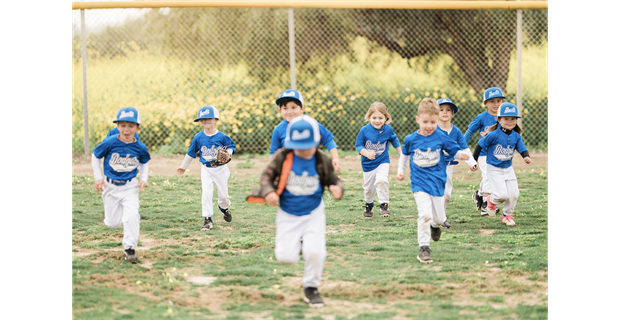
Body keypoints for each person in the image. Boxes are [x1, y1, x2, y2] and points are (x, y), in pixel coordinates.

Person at [250, 115, 344, 308]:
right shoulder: (284, 157)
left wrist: (337, 189)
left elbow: (334, 180)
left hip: (313, 213)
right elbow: (266, 176)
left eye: (307, 145)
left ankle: (311, 288)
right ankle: (300, 243)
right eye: (298, 145)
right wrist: (268, 193)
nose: (302, 150)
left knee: (316, 252)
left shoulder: (322, 159)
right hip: (288, 213)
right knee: (285, 257)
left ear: (317, 142)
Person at [396, 98, 470, 264]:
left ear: (437, 120)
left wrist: (461, 155)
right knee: (425, 214)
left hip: (437, 184)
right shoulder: (410, 139)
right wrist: (401, 171)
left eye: (432, 122)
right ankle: (424, 248)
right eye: (425, 122)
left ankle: (435, 227)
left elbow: (453, 149)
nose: (429, 126)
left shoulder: (441, 137)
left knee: (438, 219)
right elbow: (404, 155)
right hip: (419, 184)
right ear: (417, 120)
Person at [91, 107, 151, 263]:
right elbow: (95, 156)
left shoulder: (140, 147)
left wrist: (143, 178)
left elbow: (145, 163)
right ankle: (119, 220)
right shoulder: (110, 142)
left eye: (131, 126)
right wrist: (98, 177)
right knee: (112, 223)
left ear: (138, 128)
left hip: (130, 186)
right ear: (117, 126)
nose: (126, 129)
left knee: (132, 215)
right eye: (123, 125)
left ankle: (130, 248)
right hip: (110, 187)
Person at [177, 105, 236, 231]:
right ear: (200, 121)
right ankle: (207, 219)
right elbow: (190, 153)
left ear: (216, 120)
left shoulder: (221, 136)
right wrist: (183, 167)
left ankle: (224, 208)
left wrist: (229, 153)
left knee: (224, 196)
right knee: (206, 194)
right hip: (206, 169)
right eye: (203, 119)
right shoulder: (198, 137)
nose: (206, 121)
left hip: (221, 169)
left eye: (209, 118)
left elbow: (231, 145)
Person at [473, 102, 532, 226]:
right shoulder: (493, 134)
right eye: (506, 118)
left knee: (514, 194)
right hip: (493, 168)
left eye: (513, 119)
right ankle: (490, 200)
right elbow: (480, 145)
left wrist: (526, 156)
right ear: (499, 119)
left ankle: (507, 215)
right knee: (501, 195)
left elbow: (521, 148)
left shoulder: (516, 136)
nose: (509, 121)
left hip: (508, 168)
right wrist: (474, 161)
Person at [270, 89, 342, 174]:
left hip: (311, 166)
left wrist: (335, 158)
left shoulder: (311, 124)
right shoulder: (279, 129)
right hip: (289, 169)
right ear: (280, 111)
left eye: (293, 107)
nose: (289, 111)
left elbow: (328, 140)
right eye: (285, 108)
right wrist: (275, 169)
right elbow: (274, 152)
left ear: (302, 109)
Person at [463, 87, 506, 216]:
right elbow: (470, 131)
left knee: (494, 177)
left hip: (498, 155)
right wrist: (462, 145)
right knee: (488, 176)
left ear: (503, 101)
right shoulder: (482, 117)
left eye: (499, 100)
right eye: (492, 101)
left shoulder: (505, 118)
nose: (496, 104)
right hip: (483, 153)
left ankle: (479, 194)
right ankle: (486, 205)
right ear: (485, 103)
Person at [354, 101, 401, 218]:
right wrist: (366, 153)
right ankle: (368, 205)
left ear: (386, 118)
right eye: (374, 117)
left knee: (382, 180)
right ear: (369, 117)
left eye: (381, 117)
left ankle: (384, 205)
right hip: (368, 164)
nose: (377, 120)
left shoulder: (388, 130)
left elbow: (394, 140)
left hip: (382, 161)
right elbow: (358, 145)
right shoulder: (364, 130)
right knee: (369, 188)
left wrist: (401, 153)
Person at [436, 98, 479, 224]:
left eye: (448, 110)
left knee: (447, 195)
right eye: (441, 110)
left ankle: (439, 214)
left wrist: (472, 162)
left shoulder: (456, 131)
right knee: (438, 191)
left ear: (452, 114)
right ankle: (440, 218)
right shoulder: (432, 129)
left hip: (448, 166)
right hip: (434, 166)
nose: (445, 112)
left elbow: (464, 148)